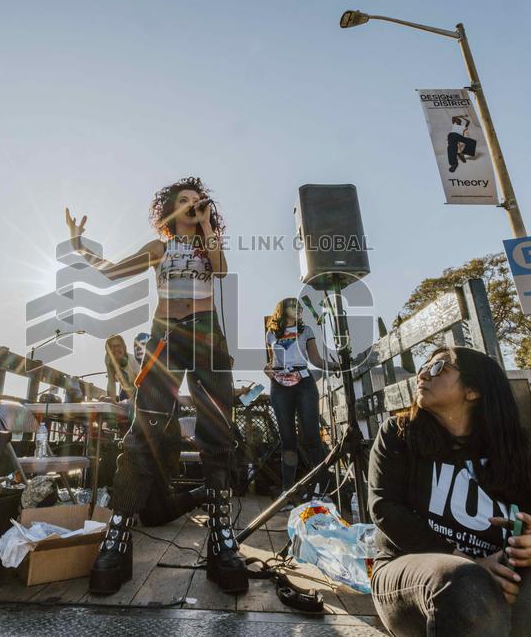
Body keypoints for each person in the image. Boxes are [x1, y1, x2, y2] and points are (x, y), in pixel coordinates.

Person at [66, 176, 247, 596]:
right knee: (143, 428)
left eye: (197, 201)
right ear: (169, 209)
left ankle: (221, 534)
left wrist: (206, 227)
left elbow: (220, 270)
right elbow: (111, 274)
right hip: (165, 332)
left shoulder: (207, 243)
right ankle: (119, 533)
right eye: (182, 201)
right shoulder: (158, 250)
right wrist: (78, 246)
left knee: (218, 428)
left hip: (206, 333)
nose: (190, 205)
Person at [367, 346, 531, 637]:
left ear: (473, 391)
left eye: (440, 367)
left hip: (508, 585)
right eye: (424, 365)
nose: (423, 373)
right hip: (412, 576)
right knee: (466, 582)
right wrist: (469, 560)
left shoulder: (520, 455)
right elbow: (384, 508)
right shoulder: (400, 434)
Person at [263, 297, 337, 498]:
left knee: (312, 436)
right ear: (282, 310)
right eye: (294, 306)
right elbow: (272, 361)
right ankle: (287, 493)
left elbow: (315, 360)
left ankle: (320, 489)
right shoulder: (271, 334)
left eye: (300, 307)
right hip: (280, 385)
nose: (299, 309)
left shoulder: (306, 331)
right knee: (288, 440)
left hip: (304, 382)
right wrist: (268, 370)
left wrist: (335, 365)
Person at [102, 334, 140, 405]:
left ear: (124, 348)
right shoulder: (108, 361)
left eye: (118, 346)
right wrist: (111, 403)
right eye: (112, 347)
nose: (116, 349)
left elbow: (143, 382)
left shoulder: (133, 361)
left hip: (139, 391)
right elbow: (111, 382)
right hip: (125, 392)